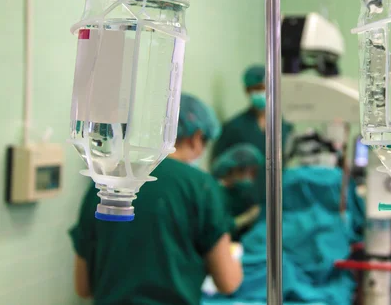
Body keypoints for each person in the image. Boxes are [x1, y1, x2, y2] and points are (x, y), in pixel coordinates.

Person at [69, 93, 243, 304]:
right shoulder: (201, 187)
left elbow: (82, 286)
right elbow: (228, 281)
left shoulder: (105, 182)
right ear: (197, 137)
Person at [211, 64, 294, 203]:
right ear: (246, 90)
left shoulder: (285, 126)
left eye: (262, 88)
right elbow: (218, 169)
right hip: (241, 201)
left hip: (278, 199)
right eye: (253, 89)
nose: (259, 93)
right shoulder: (234, 127)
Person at [212, 143, 264, 241]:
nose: (251, 178)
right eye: (249, 172)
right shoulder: (213, 191)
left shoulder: (240, 193)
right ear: (234, 169)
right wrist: (247, 217)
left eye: (254, 172)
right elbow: (218, 228)